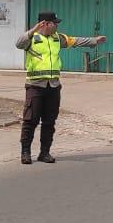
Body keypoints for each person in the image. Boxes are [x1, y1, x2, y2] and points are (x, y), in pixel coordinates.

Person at [15, 11, 106, 165]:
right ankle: (25, 153)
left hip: (53, 86)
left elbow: (75, 41)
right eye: (54, 23)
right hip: (35, 86)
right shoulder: (32, 38)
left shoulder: (57, 38)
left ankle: (44, 153)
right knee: (31, 121)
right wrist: (34, 29)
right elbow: (18, 43)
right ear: (45, 24)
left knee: (49, 121)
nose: (57, 26)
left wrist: (94, 41)